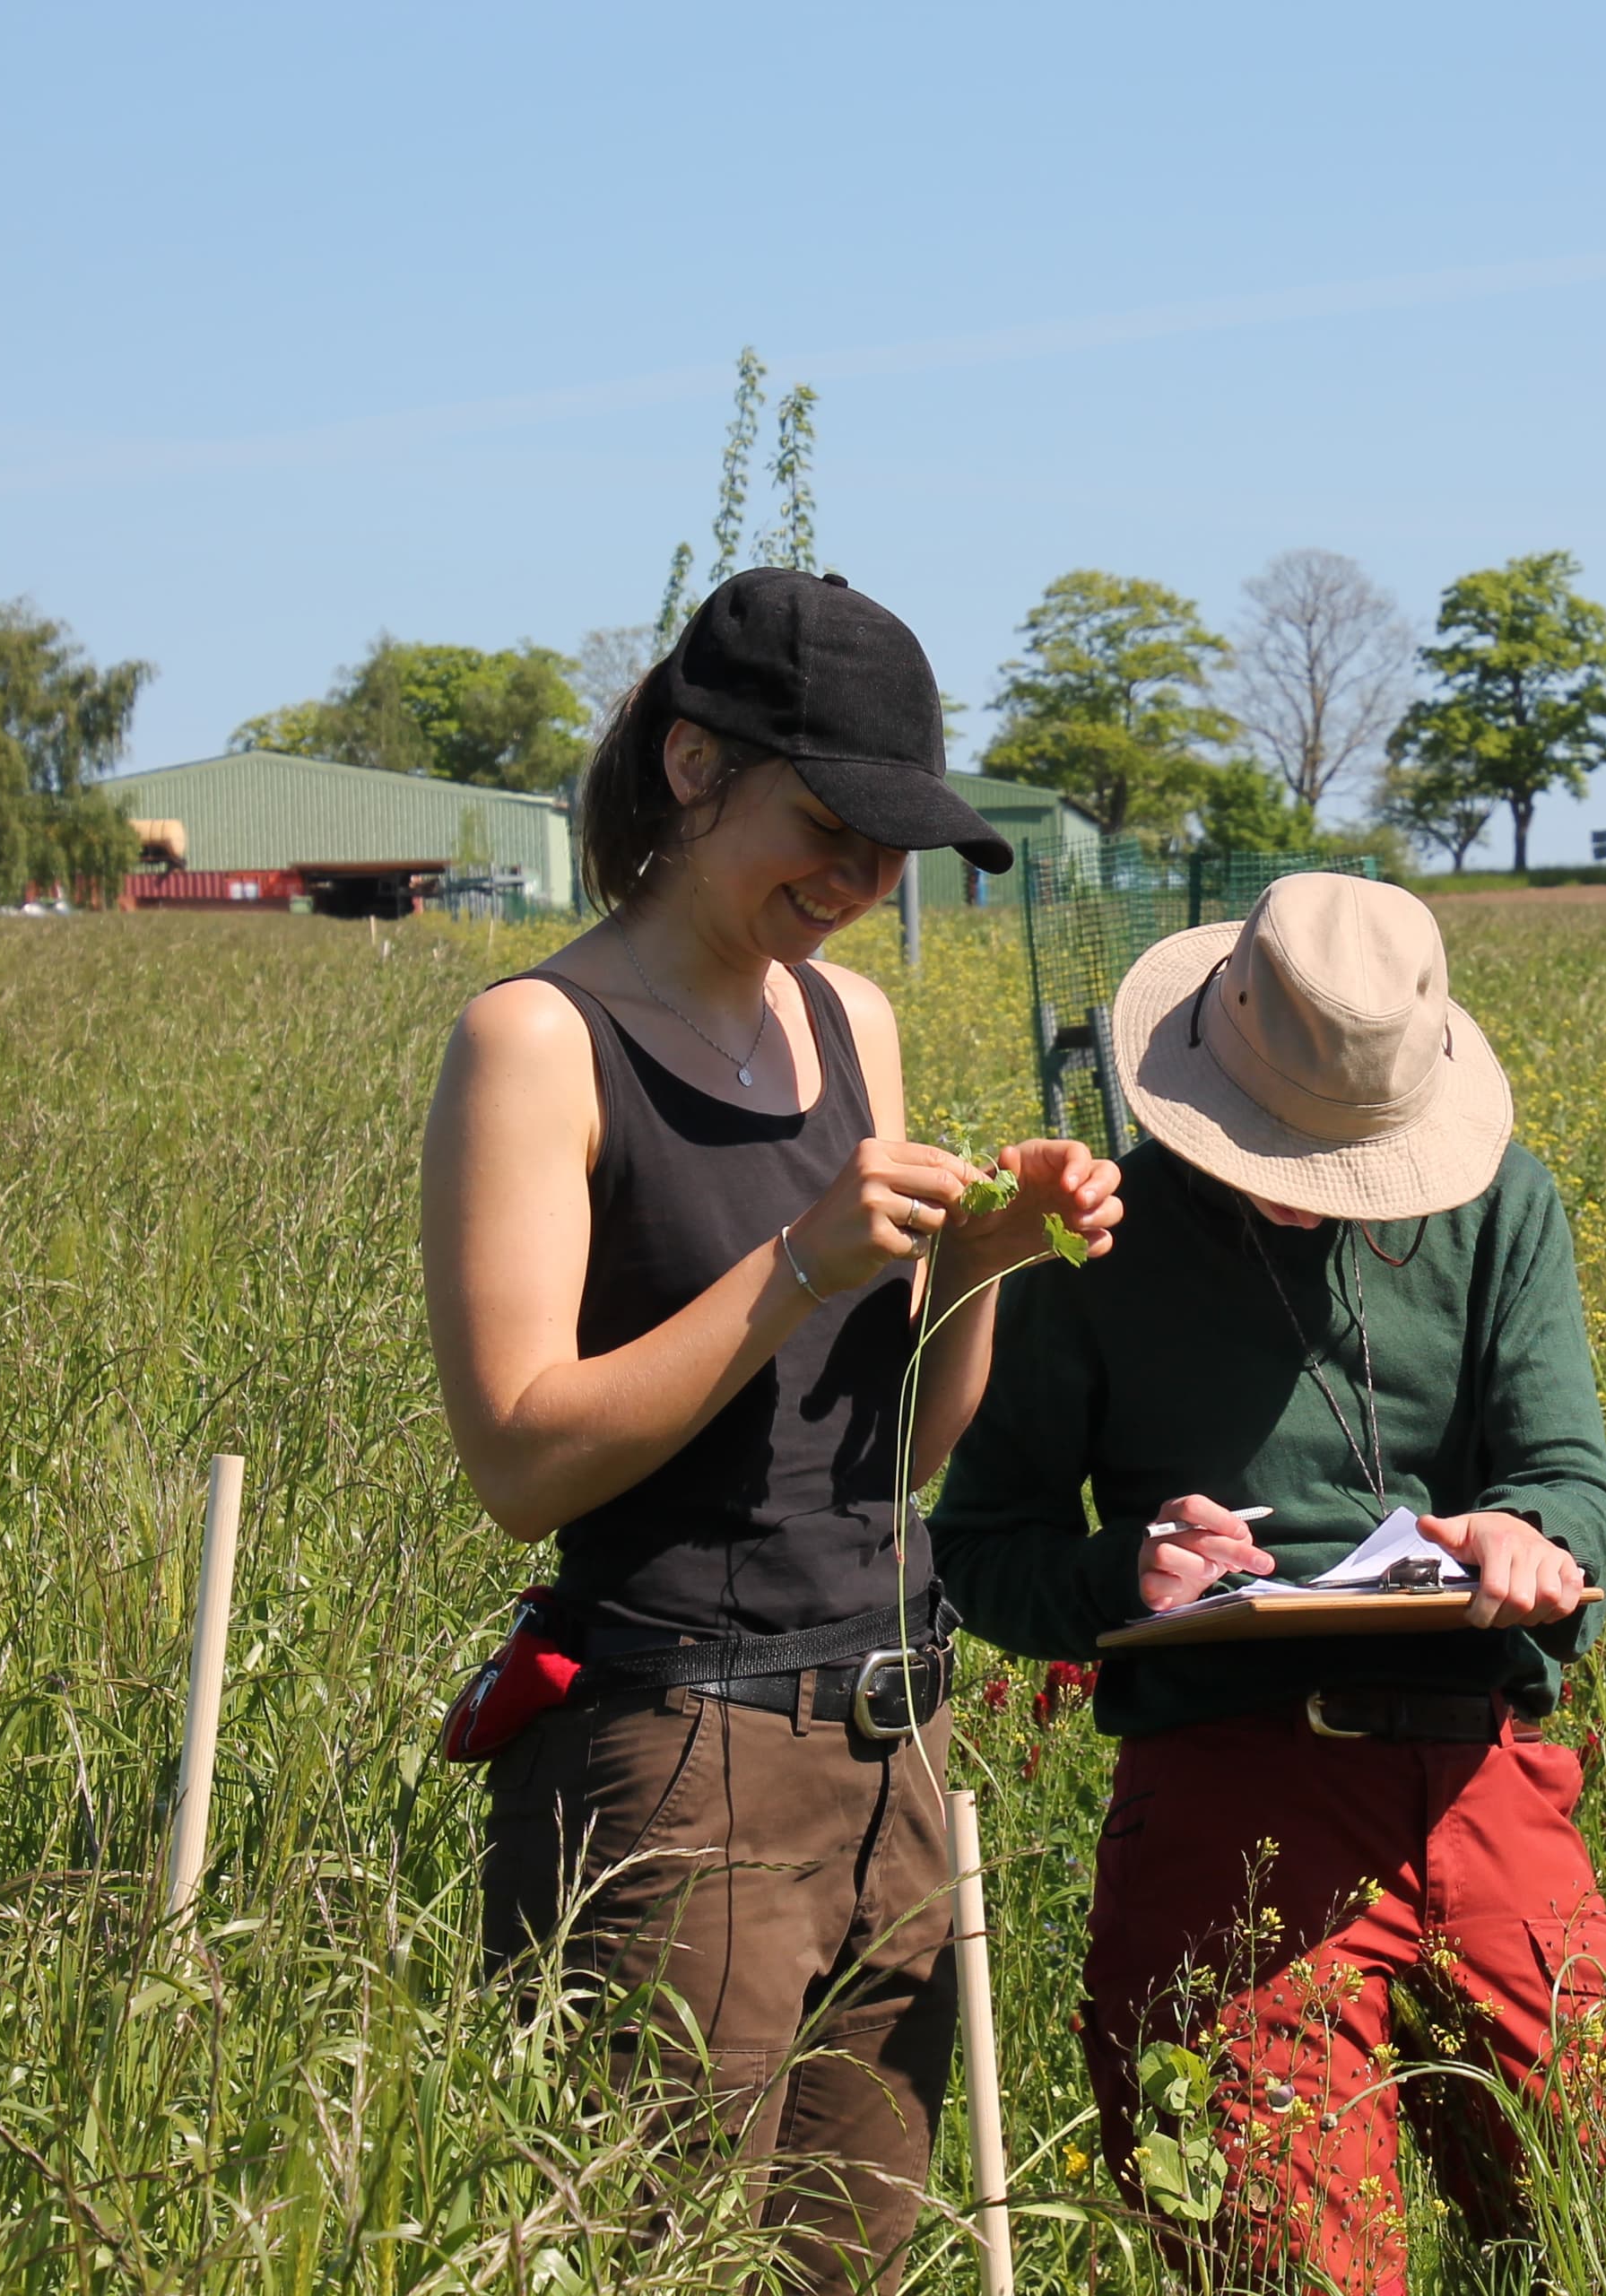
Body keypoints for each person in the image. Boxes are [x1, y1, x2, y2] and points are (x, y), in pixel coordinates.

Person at [419, 568, 1121, 2290]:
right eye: (830, 827)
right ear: (689, 766)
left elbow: (901, 1455)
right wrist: (794, 1265)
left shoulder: (850, 1023)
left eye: (896, 852)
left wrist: (983, 1260)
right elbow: (519, 1461)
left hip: (891, 1746)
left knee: (853, 2271)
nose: (865, 885)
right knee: (649, 2258)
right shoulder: (535, 1042)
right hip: (670, 1760)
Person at [931, 871, 1606, 2293]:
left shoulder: (1503, 1211)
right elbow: (980, 1549)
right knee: (1283, 2256)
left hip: (1480, 1780)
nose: (1303, 1189)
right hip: (1227, 1792)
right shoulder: (1093, 1249)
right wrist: (1125, 1573)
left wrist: (1531, 1537)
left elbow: (1575, 1480)